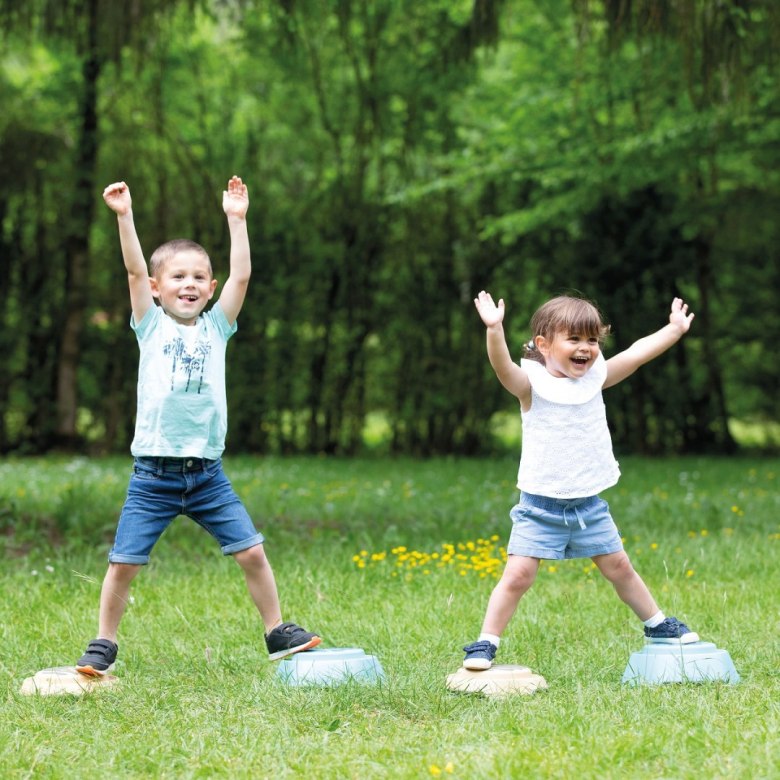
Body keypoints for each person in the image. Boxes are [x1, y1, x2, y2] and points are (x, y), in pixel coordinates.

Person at [76, 177, 320, 676]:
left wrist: (238, 220)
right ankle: (103, 642)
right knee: (125, 562)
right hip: (154, 475)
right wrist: (124, 217)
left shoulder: (217, 327)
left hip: (207, 474)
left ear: (210, 289)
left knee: (251, 552)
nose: (188, 284)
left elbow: (243, 278)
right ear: (156, 288)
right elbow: (132, 268)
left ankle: (277, 632)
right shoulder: (150, 324)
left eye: (199, 278)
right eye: (177, 277)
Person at [462, 290, 699, 671]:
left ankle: (657, 625)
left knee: (620, 567)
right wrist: (494, 330)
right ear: (544, 344)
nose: (586, 348)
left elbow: (636, 354)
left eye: (592, 340)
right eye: (574, 339)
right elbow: (502, 366)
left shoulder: (594, 380)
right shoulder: (531, 387)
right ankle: (485, 642)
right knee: (518, 575)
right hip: (540, 508)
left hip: (588, 506)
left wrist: (672, 330)